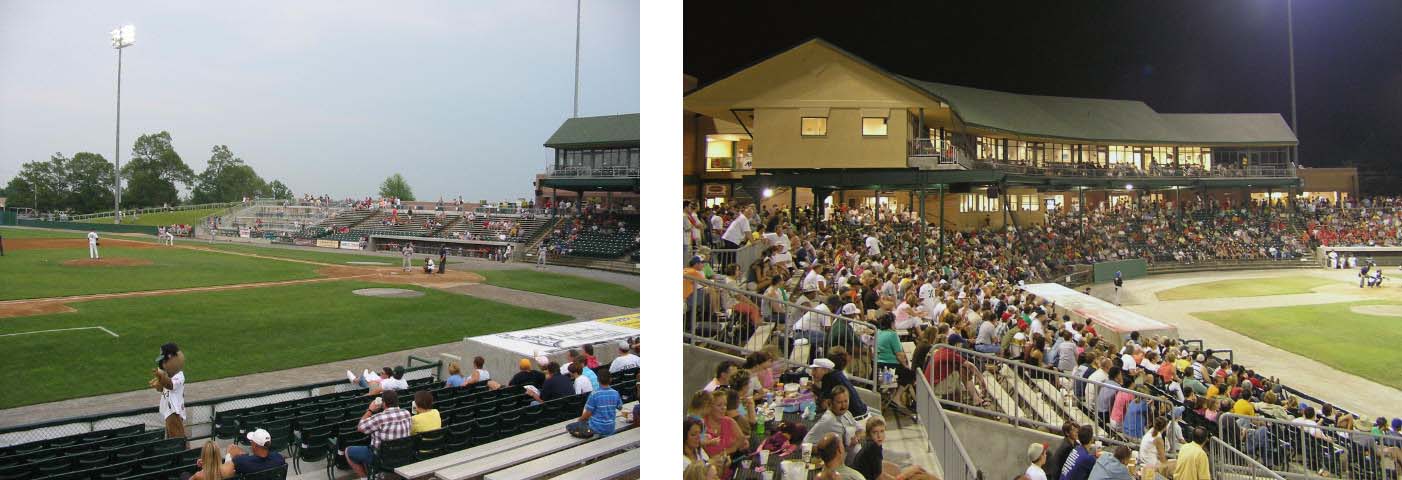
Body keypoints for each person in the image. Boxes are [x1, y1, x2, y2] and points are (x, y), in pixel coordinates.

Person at [346, 390, 411, 478]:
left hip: (380, 458)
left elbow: (360, 427)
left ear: (383, 403)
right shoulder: (407, 413)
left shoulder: (379, 418)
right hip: (402, 453)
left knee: (348, 451)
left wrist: (370, 410)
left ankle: (364, 478)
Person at [803, 387, 862, 463]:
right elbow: (805, 444)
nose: (843, 405)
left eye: (846, 401)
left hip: (855, 459)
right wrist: (823, 450)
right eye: (839, 402)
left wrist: (857, 437)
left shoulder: (846, 413)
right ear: (831, 402)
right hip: (842, 463)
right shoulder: (828, 420)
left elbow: (861, 430)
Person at [150, 343, 186, 439]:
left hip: (175, 412)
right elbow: (163, 388)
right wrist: (158, 384)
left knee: (177, 439)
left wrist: (161, 376)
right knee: (171, 438)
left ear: (171, 357)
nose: (163, 364)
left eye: (165, 360)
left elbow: (170, 385)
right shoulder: (168, 375)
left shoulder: (179, 376)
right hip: (168, 412)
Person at [570, 370, 621, 437]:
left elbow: (587, 414)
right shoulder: (615, 393)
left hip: (596, 428)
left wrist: (580, 420)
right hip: (610, 428)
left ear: (597, 380)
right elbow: (620, 407)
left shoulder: (594, 394)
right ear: (610, 379)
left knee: (572, 426)